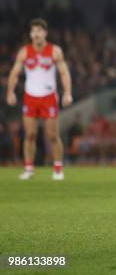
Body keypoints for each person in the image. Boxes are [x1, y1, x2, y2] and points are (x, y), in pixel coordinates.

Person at [6, 18, 73, 180]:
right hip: (30, 97)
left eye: (39, 31)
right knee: (29, 135)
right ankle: (29, 169)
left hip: (49, 97)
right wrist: (10, 92)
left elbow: (64, 72)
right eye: (33, 31)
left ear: (45, 33)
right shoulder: (24, 52)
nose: (36, 34)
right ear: (30, 34)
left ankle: (58, 169)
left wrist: (67, 93)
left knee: (52, 135)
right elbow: (14, 74)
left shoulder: (55, 51)